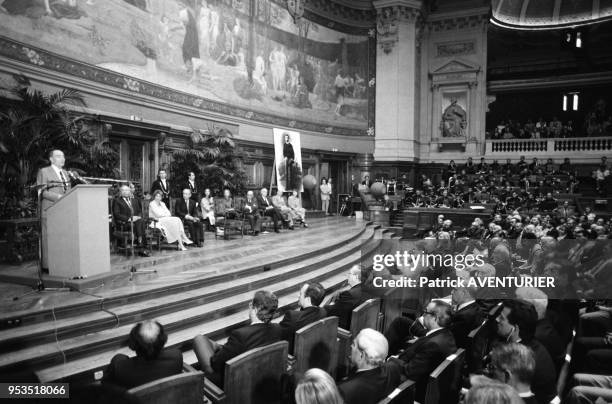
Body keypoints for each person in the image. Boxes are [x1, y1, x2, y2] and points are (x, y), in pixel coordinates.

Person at [193, 290, 282, 387]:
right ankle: (221, 348)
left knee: (199, 340)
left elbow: (215, 364)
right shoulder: (277, 328)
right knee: (214, 345)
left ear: (255, 309)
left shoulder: (241, 335)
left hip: (234, 382)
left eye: (250, 305)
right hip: (259, 373)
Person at [495, 300, 556, 404]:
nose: (497, 320)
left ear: (515, 329)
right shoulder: (534, 345)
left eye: (502, 318)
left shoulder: (517, 359)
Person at [396, 300, 457, 402]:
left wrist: (393, 361)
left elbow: (410, 372)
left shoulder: (433, 344)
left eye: (426, 312)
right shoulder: (447, 334)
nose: (423, 315)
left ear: (435, 318)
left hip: (413, 390)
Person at [102, 320, 182, 389]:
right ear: (163, 341)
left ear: (133, 344)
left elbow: (105, 386)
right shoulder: (176, 356)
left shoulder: (120, 367)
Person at [337, 329, 402, 404]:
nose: (351, 346)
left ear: (362, 355)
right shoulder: (393, 369)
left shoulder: (344, 391)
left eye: (354, 344)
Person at [36, 149, 72, 271]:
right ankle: (46, 266)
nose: (62, 159)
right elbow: (42, 192)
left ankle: (61, 262)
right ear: (51, 159)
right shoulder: (44, 171)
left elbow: (69, 191)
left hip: (64, 212)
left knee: (61, 238)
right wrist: (58, 197)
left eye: (63, 156)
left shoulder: (66, 173)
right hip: (49, 210)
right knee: (48, 239)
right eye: (58, 156)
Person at [280, 282, 327, 353]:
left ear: (308, 299)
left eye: (301, 293)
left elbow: (280, 336)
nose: (298, 296)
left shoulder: (292, 316)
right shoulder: (323, 312)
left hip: (293, 356)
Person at [324, 265, 371, 329]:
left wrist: (330, 304)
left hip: (345, 328)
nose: (348, 276)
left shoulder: (349, 295)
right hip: (362, 323)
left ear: (356, 277)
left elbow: (332, 311)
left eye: (350, 273)